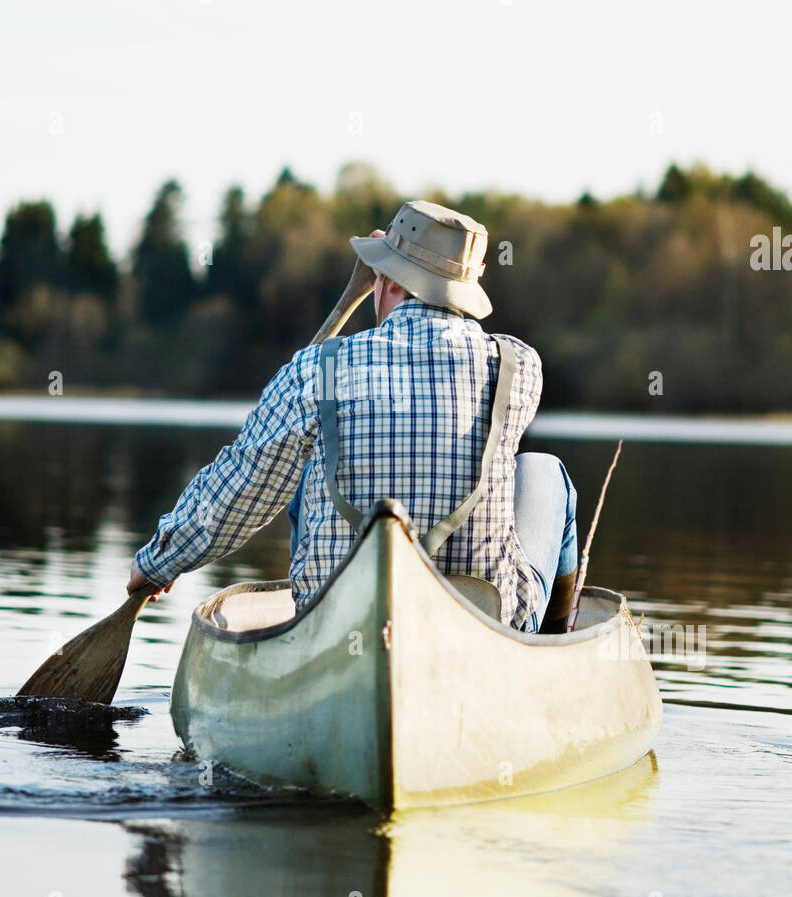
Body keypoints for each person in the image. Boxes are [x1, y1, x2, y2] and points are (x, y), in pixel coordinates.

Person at [127, 200, 577, 632]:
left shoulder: (322, 367)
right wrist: (387, 269)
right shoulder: (517, 367)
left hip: (339, 612)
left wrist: (158, 563)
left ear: (390, 281)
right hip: (481, 618)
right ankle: (553, 650)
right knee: (545, 472)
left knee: (307, 460)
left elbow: (246, 482)